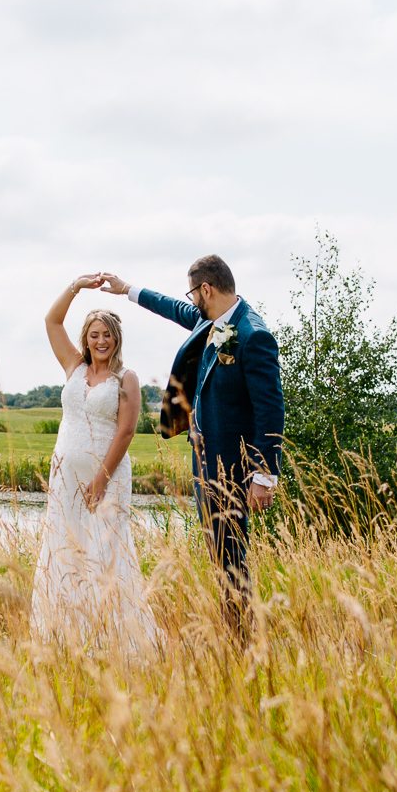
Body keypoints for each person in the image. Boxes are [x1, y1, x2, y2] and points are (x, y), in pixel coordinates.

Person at [99, 255, 284, 639]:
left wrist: (263, 475)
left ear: (206, 289)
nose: (192, 301)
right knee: (219, 552)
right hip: (205, 460)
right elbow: (174, 308)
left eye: (194, 293)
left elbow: (271, 409)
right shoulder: (212, 320)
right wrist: (127, 290)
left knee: (231, 553)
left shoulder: (253, 335)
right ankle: (234, 629)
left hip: (231, 466)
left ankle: (241, 638)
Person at [28, 274, 159, 651]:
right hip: (65, 480)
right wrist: (76, 286)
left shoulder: (126, 378)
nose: (100, 341)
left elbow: (127, 432)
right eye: (94, 334)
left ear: (116, 339)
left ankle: (116, 639)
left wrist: (101, 479)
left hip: (107, 479)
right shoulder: (73, 366)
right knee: (64, 550)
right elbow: (51, 322)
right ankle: (65, 635)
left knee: (103, 554)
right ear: (85, 338)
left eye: (107, 335)